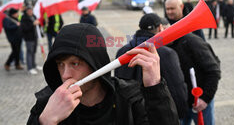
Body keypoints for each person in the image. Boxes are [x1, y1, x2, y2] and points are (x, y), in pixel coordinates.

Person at [27, 23, 179, 125]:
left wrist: (155, 87)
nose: (66, 75)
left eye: (75, 63)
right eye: (60, 64)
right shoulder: (48, 104)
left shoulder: (131, 100)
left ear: (96, 63)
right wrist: (45, 121)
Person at [115, 13, 188, 119]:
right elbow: (177, 89)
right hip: (157, 115)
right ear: (160, 28)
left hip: (128, 115)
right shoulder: (167, 53)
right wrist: (179, 114)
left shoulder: (122, 52)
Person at [165, 0, 221, 125]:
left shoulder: (193, 34)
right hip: (181, 99)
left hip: (199, 95)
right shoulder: (165, 24)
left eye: (172, 8)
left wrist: (206, 97)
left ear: (181, 7)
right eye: (167, 9)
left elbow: (212, 65)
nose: (169, 12)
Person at [20, 6, 41, 75]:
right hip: (29, 38)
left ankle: (34, 65)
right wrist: (33, 24)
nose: (30, 12)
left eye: (31, 10)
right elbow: (24, 28)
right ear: (26, 11)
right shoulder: (24, 18)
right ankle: (30, 68)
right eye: (29, 10)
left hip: (35, 37)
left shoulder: (34, 16)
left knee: (34, 52)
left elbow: (37, 26)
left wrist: (39, 23)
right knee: (29, 52)